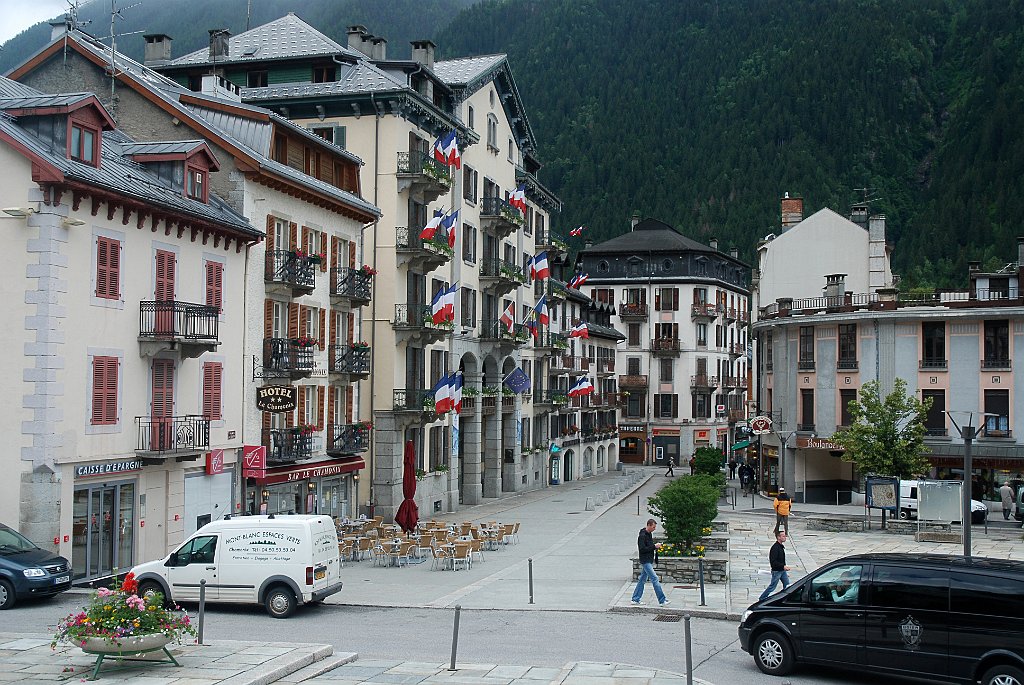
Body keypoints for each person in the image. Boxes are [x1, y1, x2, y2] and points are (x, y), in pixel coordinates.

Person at [631, 519, 669, 606]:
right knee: (655, 578)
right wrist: (654, 546)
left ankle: (635, 599)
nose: (654, 529)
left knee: (642, 579)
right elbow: (642, 549)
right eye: (653, 527)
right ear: (648, 525)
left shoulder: (648, 534)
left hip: (648, 559)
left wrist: (654, 547)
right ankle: (662, 600)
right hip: (645, 560)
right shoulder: (642, 536)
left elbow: (648, 547)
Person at [758, 531, 791, 601]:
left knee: (787, 585)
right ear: (778, 537)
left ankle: (786, 598)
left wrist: (784, 568)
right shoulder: (775, 548)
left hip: (782, 570)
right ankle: (762, 598)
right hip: (777, 571)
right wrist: (783, 566)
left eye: (785, 536)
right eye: (783, 536)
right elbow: (773, 562)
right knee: (772, 586)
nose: (785, 537)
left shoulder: (780, 547)